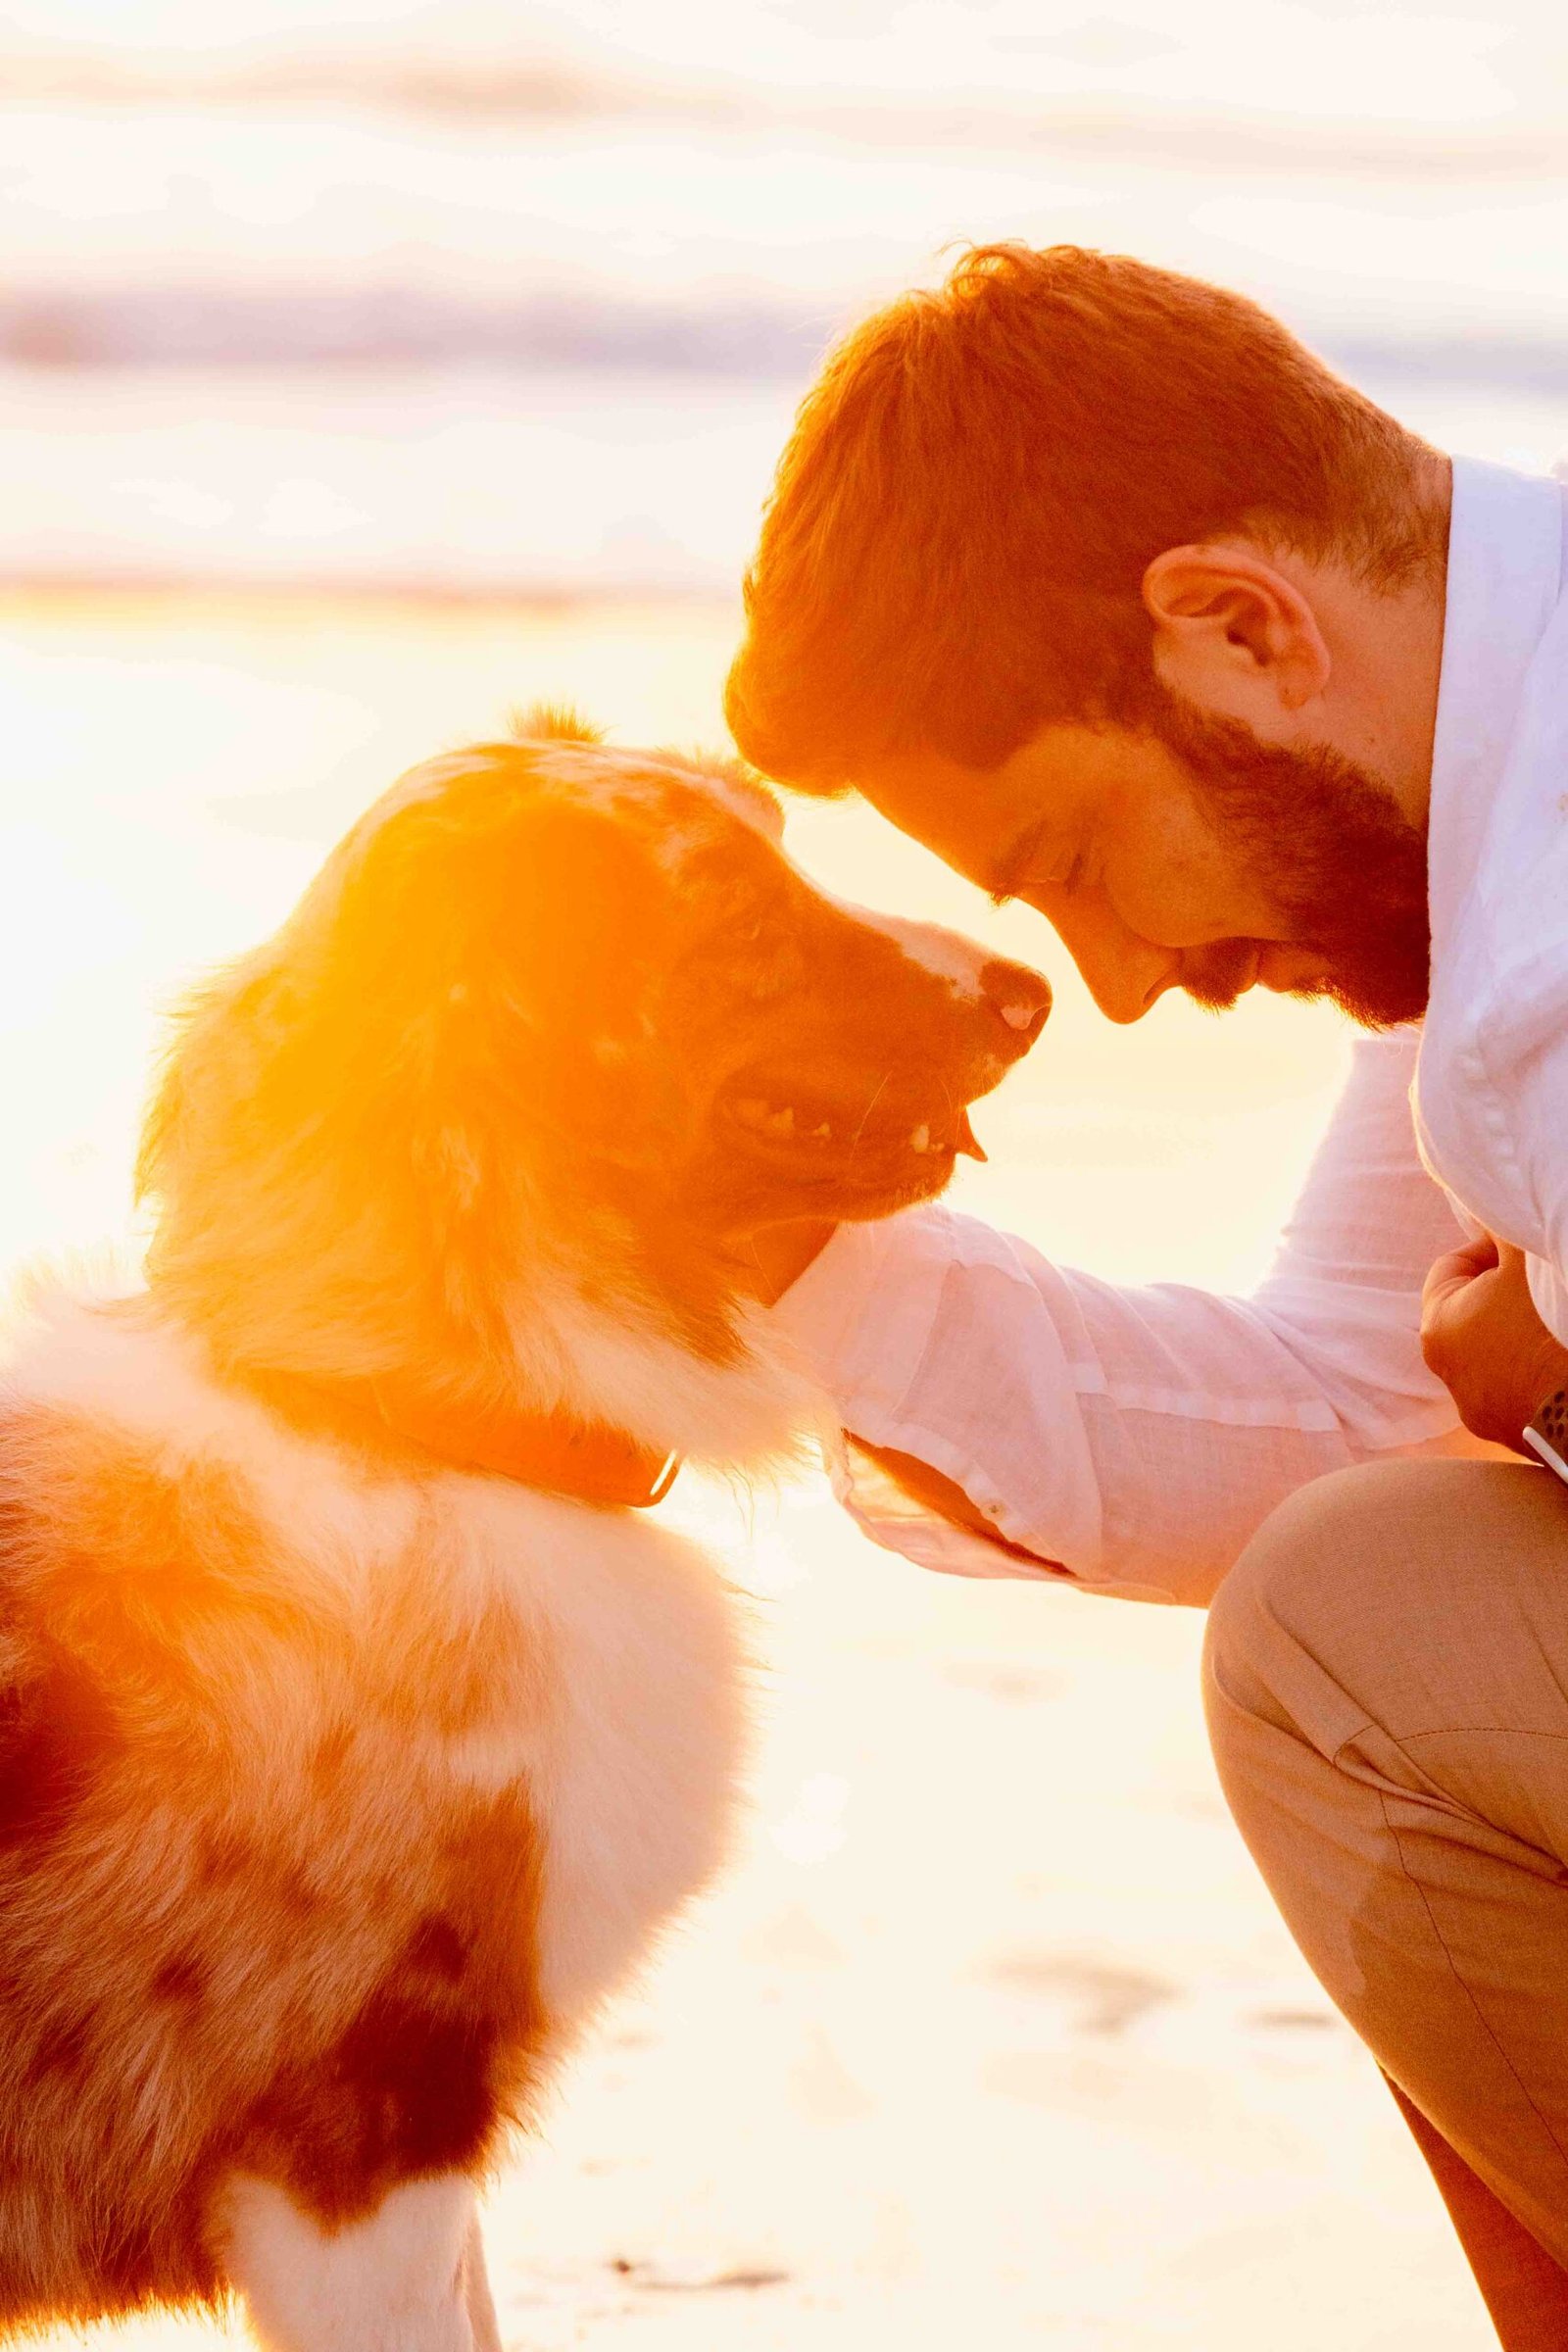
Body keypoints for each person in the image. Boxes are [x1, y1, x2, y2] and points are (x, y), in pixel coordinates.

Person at [723, 243, 1568, 2347]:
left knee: (1340, 1637)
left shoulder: (1529, 956)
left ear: (1237, 626)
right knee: (1363, 1605)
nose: (1108, 983)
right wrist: (761, 1233)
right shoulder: (1471, 835)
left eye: (1072, 858)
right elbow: (1327, 1411)